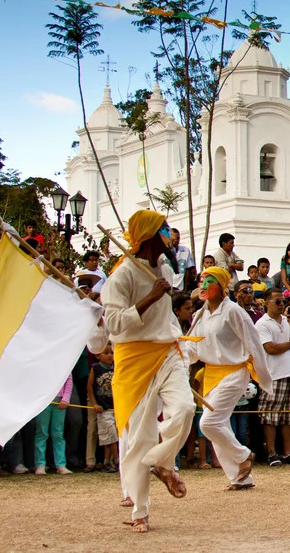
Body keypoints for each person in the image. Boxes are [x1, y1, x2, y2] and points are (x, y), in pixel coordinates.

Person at [101, 210, 194, 533]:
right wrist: (150, 297)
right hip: (133, 359)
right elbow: (112, 324)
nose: (170, 235)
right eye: (165, 230)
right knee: (138, 439)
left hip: (167, 351)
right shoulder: (123, 275)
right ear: (150, 235)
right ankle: (140, 510)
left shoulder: (165, 267)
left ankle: (161, 461)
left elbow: (165, 319)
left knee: (185, 408)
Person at [186, 267, 273, 490]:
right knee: (218, 425)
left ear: (222, 286)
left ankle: (243, 455)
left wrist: (261, 373)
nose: (203, 286)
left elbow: (252, 342)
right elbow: (191, 348)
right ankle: (240, 478)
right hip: (211, 373)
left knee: (208, 423)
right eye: (201, 281)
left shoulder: (234, 311)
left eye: (209, 281)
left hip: (235, 371)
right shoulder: (198, 316)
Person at [255, 287, 290, 466]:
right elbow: (270, 348)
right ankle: (271, 452)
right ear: (266, 303)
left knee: (289, 415)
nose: (280, 305)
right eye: (277, 302)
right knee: (270, 416)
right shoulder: (262, 324)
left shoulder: (287, 321)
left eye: (282, 301)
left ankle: (287, 452)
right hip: (273, 374)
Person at [34, 373, 73, 475]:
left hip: (60, 401)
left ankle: (61, 465)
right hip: (43, 401)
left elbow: (68, 380)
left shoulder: (64, 361)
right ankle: (40, 464)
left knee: (58, 434)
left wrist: (65, 398)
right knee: (42, 433)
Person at [88, 344, 118, 472]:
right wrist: (94, 404)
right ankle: (117, 460)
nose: (110, 355)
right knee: (110, 433)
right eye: (106, 353)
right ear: (97, 355)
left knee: (110, 434)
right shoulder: (95, 368)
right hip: (103, 407)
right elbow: (89, 387)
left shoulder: (116, 368)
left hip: (114, 407)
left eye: (112, 353)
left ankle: (106, 461)